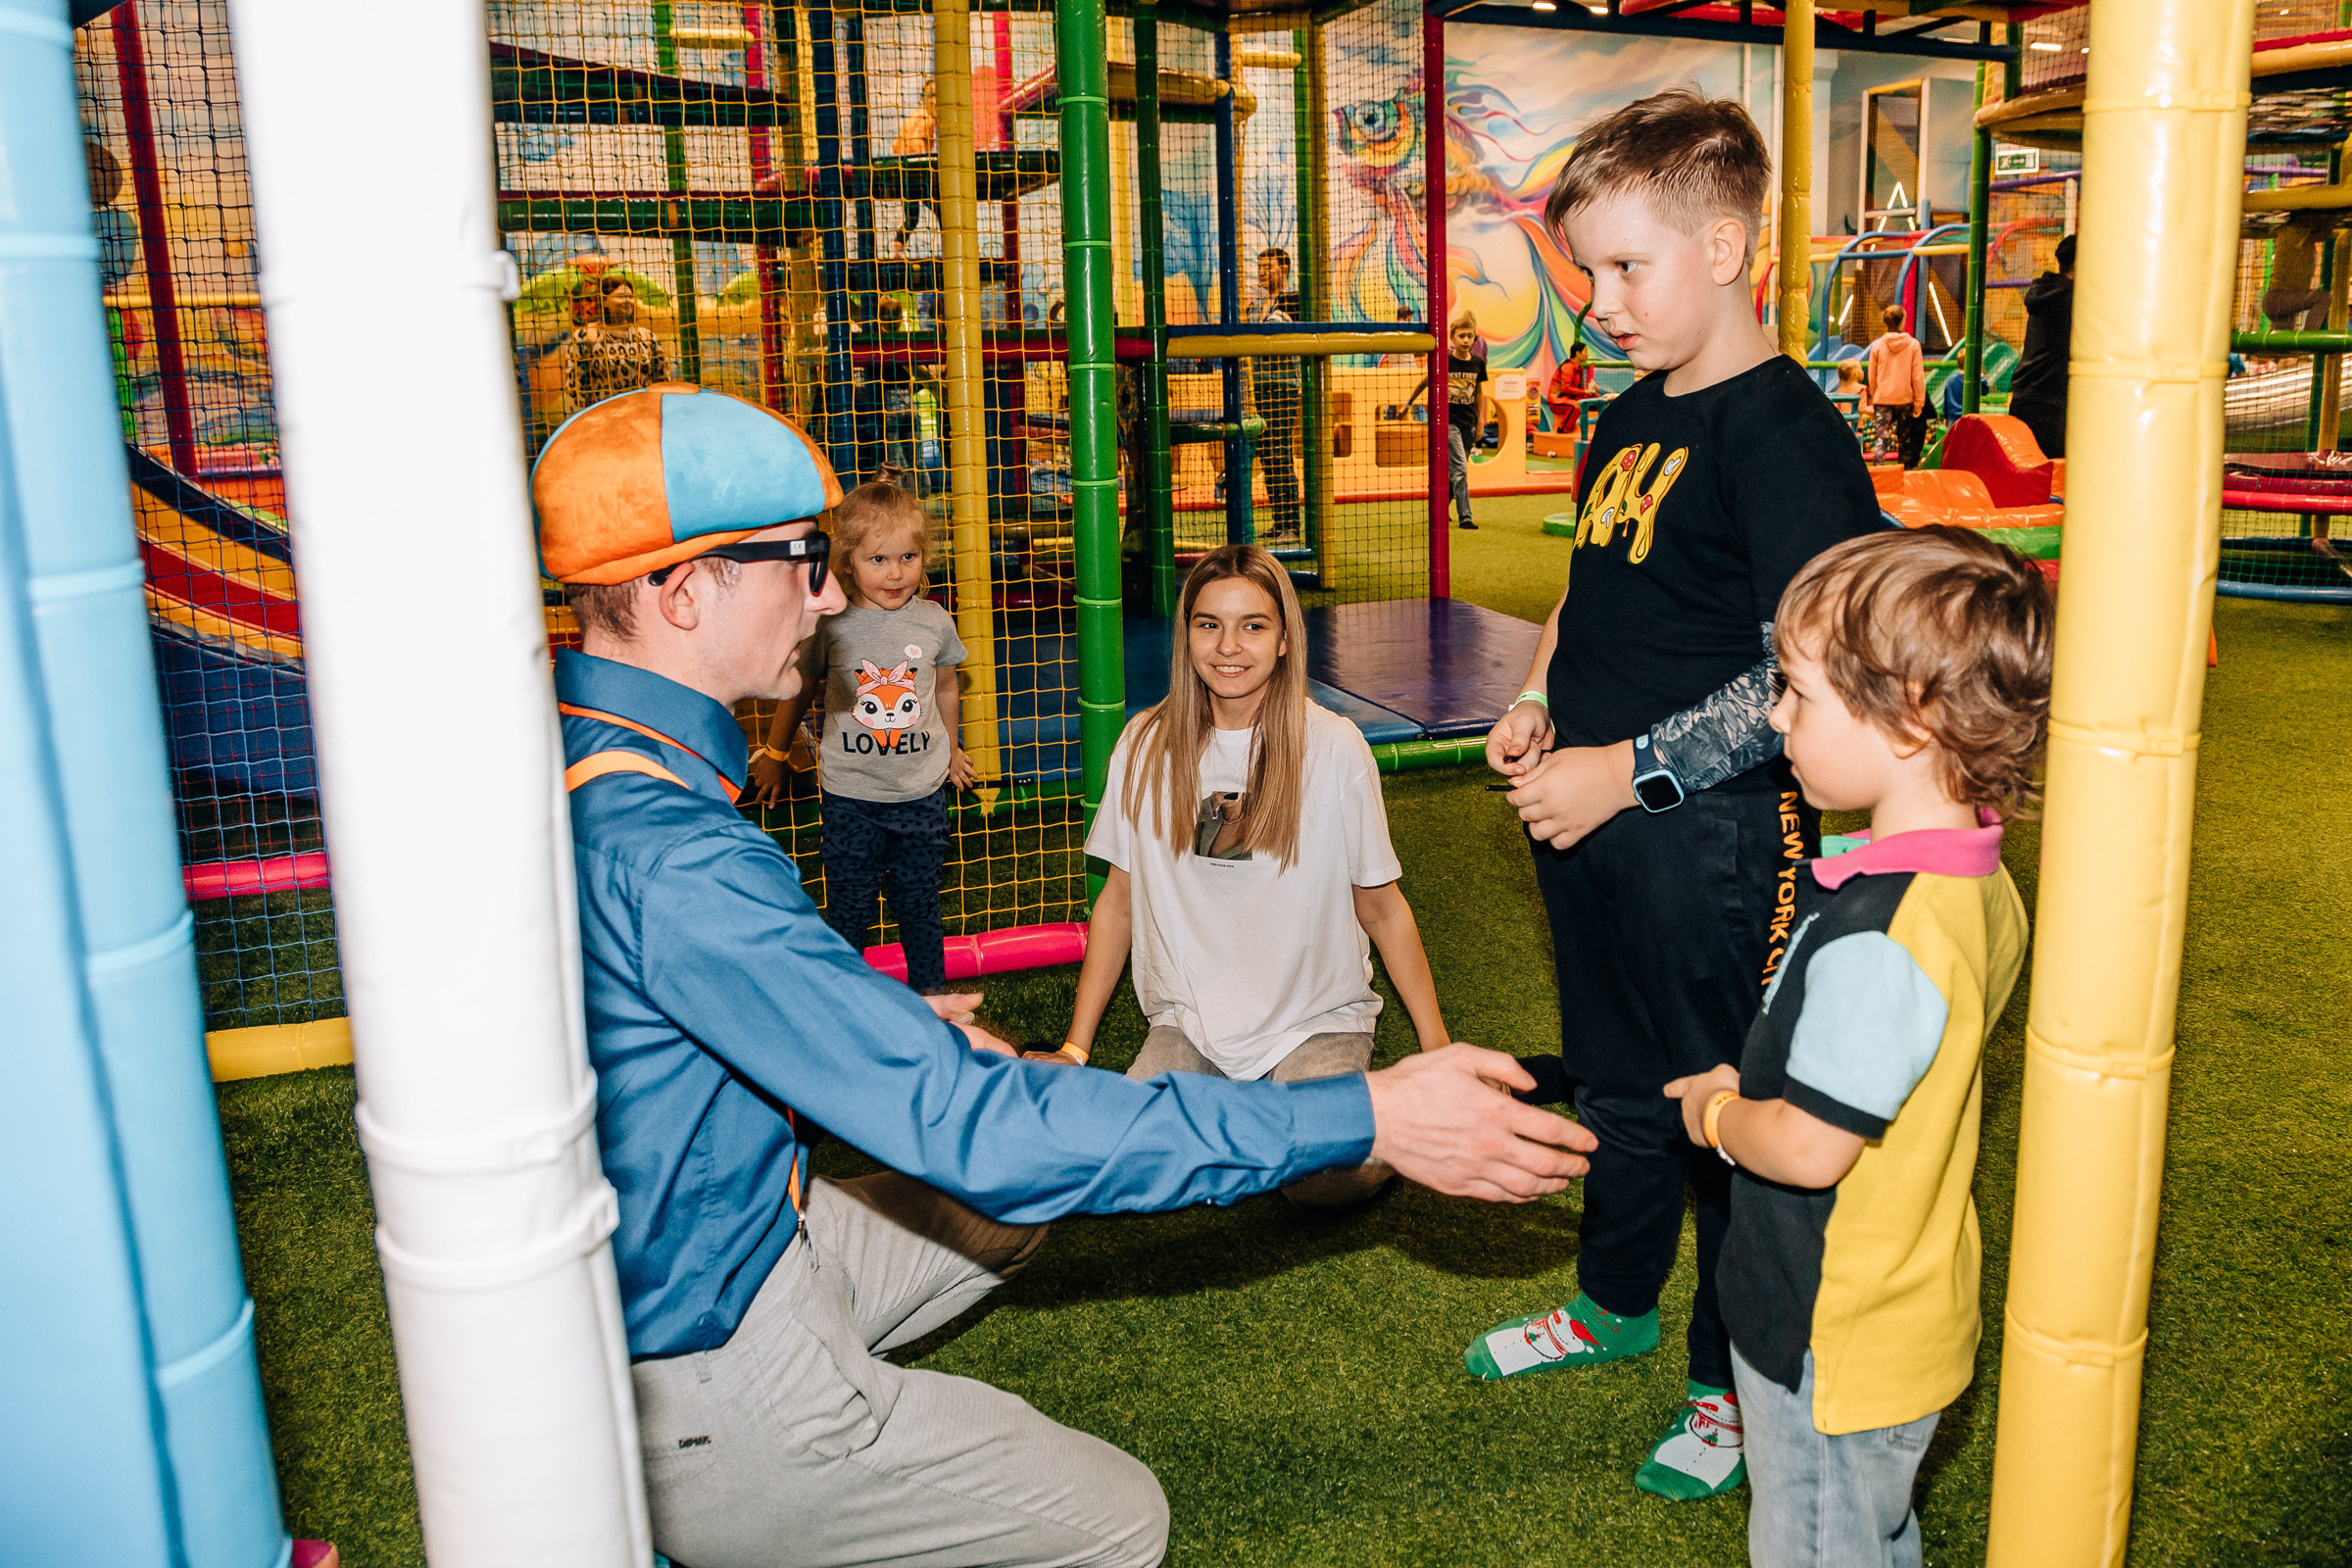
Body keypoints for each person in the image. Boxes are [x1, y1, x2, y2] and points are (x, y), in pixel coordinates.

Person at [530, 380, 1597, 1568]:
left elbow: (673, 993)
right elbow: (982, 1126)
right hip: (708, 1370)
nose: (829, 592)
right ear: (686, 589)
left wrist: (875, 1013)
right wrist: (1373, 1110)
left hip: (716, 1255)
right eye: (801, 559)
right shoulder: (675, 852)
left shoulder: (601, 760)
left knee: (1010, 1211)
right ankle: (781, 1496)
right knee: (1116, 1516)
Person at [1460, 89, 1882, 1502]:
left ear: (1726, 243)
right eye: (1586, 273)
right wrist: (1535, 707)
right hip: (1582, 815)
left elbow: (1812, 673)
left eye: (1627, 268)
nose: (1599, 303)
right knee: (1622, 1081)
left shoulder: (1787, 437)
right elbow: (1590, 590)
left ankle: (1727, 1381)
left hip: (1710, 836)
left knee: (1725, 1106)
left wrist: (1628, 776)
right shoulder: (1631, 416)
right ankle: (1615, 1299)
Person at [1665, 525, 2051, 1568]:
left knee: (1815, 1540)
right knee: (1865, 1535)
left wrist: (1714, 1108)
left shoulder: (1890, 933)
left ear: (1911, 719)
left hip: (1833, 1332)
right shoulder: (1973, 879)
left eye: (1796, 691)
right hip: (1896, 1304)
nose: (1778, 715)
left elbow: (1807, 1147)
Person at [1059, 545, 1451, 1209]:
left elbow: (1382, 909)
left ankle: (1391, 1125)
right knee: (1128, 1163)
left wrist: (1438, 1051)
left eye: (1253, 625)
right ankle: (1249, 1125)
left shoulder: (1333, 747)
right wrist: (1074, 1047)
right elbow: (1118, 905)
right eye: (1209, 623)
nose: (1228, 646)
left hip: (1315, 1019)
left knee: (1315, 1185)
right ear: (1185, 635)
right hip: (1192, 1022)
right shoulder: (1144, 746)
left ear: (1283, 640)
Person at [748, 469, 974, 994]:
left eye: (907, 558)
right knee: (849, 906)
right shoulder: (835, 623)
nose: (895, 574)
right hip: (852, 793)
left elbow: (945, 688)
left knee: (920, 906)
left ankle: (931, 1001)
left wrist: (954, 747)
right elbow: (801, 686)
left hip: (920, 793)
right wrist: (775, 751)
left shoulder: (935, 620)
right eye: (878, 559)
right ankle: (841, 1002)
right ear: (847, 561)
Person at [1404, 310, 1493, 529]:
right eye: (1461, 336)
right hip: (1448, 422)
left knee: (1455, 470)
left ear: (1474, 338)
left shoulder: (1478, 363)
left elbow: (1479, 392)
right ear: (1452, 337)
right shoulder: (1445, 359)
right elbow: (1426, 381)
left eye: (1469, 336)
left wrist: (1480, 422)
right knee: (1461, 467)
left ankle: (1439, 509)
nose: (1465, 340)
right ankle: (1466, 517)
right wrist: (1408, 403)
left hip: (1468, 422)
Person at [1250, 248, 1303, 541]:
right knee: (1267, 454)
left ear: (1284, 269)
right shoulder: (1258, 304)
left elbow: (1279, 334)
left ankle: (1292, 525)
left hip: (1282, 386)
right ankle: (1279, 520)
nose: (1261, 271)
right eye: (1259, 266)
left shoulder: (1292, 300)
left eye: (1267, 266)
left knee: (1280, 452)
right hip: (1259, 385)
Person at [2007, 232, 2075, 461]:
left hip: (2025, 399)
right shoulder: (2072, 299)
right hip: (2050, 405)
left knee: (2029, 481)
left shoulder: (2048, 292)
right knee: (2053, 481)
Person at [564, 276, 666, 411]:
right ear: (605, 301)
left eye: (630, 296)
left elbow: (663, 381)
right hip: (604, 419)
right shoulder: (584, 337)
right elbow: (574, 387)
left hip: (641, 415)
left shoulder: (646, 337)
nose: (627, 301)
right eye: (620, 296)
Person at [1865, 306, 1927, 469]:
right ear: (1903, 321)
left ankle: (1878, 470)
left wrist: (1876, 394)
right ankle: (1904, 473)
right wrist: (1919, 402)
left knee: (1881, 437)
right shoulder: (1913, 345)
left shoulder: (1877, 346)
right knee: (1904, 439)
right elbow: (1917, 376)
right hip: (1904, 398)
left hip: (1883, 398)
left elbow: (1872, 375)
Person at [891, 79, 940, 260]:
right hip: (916, 173)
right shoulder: (927, 118)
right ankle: (954, 246)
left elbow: (896, 146)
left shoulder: (915, 116)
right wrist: (925, 166)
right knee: (941, 209)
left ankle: (896, 251)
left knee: (912, 217)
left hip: (904, 173)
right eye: (932, 97)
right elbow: (916, 143)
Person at [1544, 341, 1596, 433]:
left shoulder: (1579, 368)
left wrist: (1592, 390)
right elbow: (1565, 388)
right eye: (1586, 351)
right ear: (1578, 353)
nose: (1587, 355)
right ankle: (1563, 429)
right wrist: (1584, 392)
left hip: (1570, 398)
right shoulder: (1568, 367)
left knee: (1596, 397)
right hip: (1557, 401)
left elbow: (1580, 390)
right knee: (1575, 406)